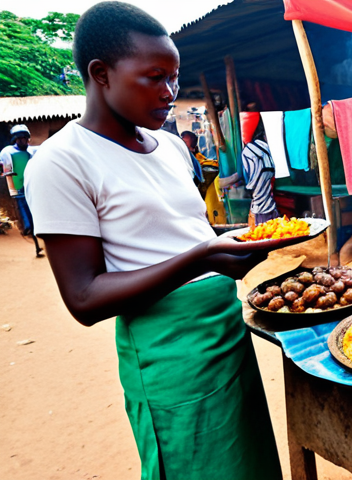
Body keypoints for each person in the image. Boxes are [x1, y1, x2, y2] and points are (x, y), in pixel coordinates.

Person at [23, 3, 281, 479]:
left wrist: (236, 239)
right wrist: (203, 256)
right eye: (154, 77)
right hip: (168, 353)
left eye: (175, 78)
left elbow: (183, 234)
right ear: (101, 74)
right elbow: (84, 298)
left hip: (225, 331)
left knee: (249, 465)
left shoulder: (170, 146)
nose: (170, 93)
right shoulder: (61, 162)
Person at [0, 124, 43, 256]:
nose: (22, 141)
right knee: (25, 218)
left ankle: (36, 244)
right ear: (15, 140)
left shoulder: (33, 151)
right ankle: (31, 236)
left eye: (24, 138)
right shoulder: (7, 153)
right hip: (17, 191)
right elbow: (4, 170)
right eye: (19, 139)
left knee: (33, 216)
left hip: (31, 188)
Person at [241, 122, 279, 225]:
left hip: (261, 208)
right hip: (266, 207)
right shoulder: (262, 150)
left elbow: (250, 182)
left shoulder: (249, 150)